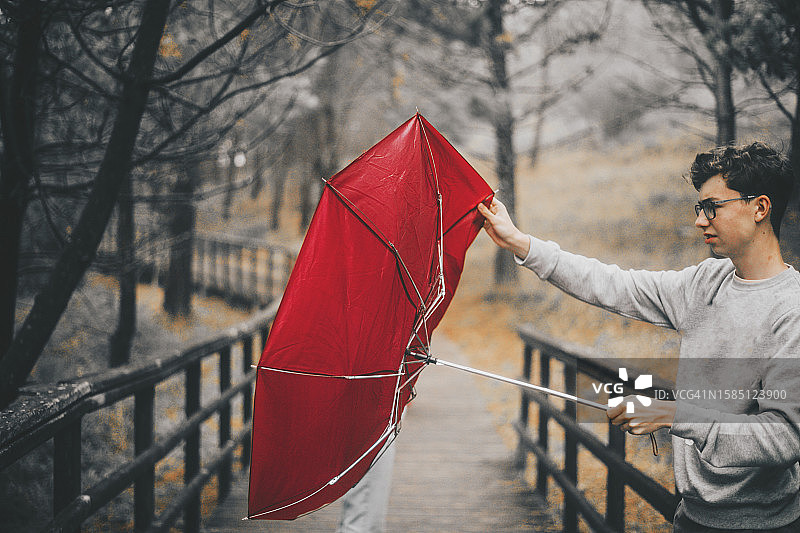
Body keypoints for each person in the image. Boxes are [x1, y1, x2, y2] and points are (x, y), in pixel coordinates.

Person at [477, 142, 800, 532]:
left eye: (712, 206)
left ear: (760, 208)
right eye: (699, 208)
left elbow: (783, 438)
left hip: (765, 526)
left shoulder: (791, 310)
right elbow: (615, 285)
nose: (700, 220)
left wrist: (671, 413)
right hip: (690, 517)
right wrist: (521, 244)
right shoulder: (705, 282)